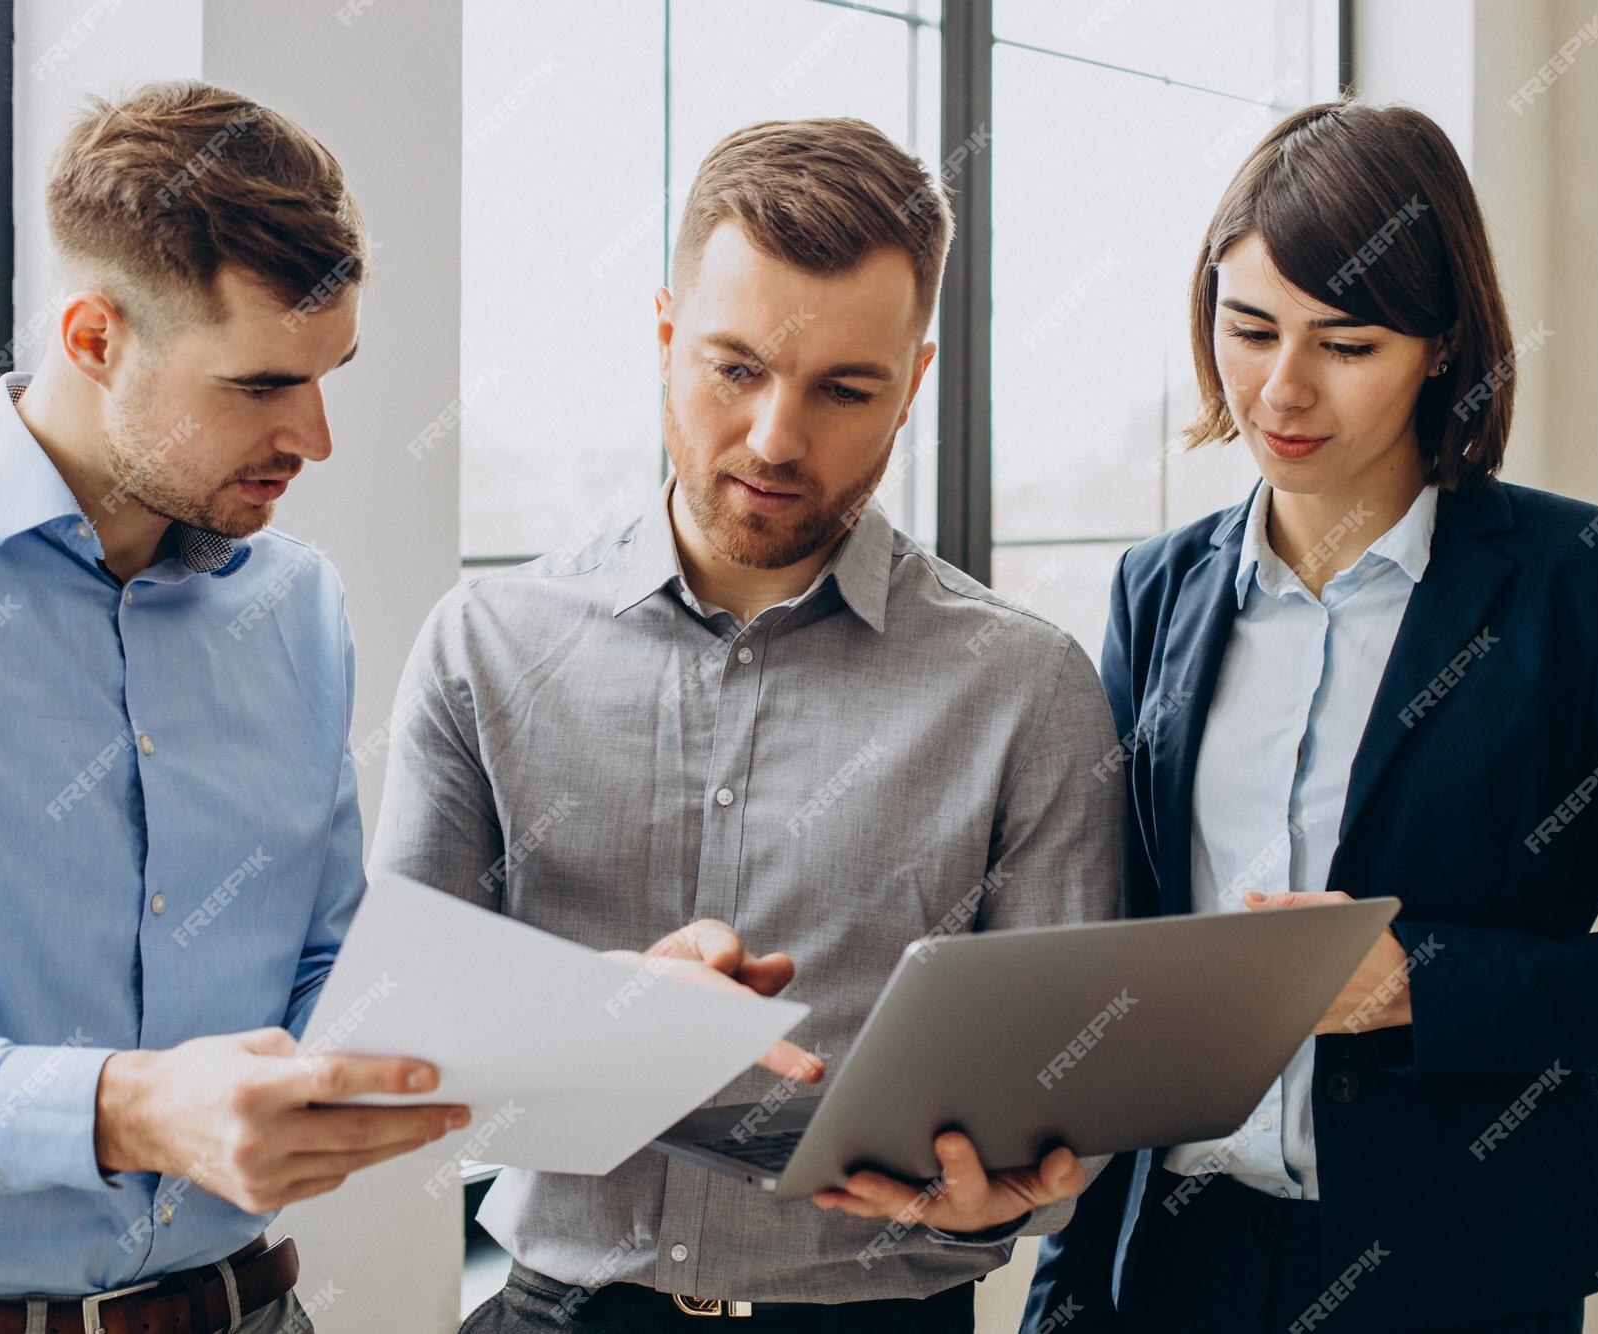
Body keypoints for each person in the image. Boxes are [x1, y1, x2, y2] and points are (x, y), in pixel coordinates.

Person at [0, 80, 783, 1334]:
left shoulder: (291, 604)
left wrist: (578, 1013)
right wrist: (121, 1107)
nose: (315, 436)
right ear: (95, 336)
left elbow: (324, 981)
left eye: (328, 376)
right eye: (261, 384)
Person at [376, 116, 1122, 1334]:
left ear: (914, 382)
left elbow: (1055, 1103)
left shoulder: (1024, 687)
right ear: (664, 335)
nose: (778, 438)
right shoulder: (484, 644)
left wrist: (1000, 1201)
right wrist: (595, 1023)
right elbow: (397, 1040)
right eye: (734, 367)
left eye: (843, 388)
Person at [1023, 99, 1598, 1334]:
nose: (1278, 390)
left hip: (1453, 1266)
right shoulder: (1154, 586)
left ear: (1442, 347)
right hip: (1168, 1265)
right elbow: (1117, 933)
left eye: (1346, 344)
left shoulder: (1593, 584)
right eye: (1247, 329)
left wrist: (1419, 982)